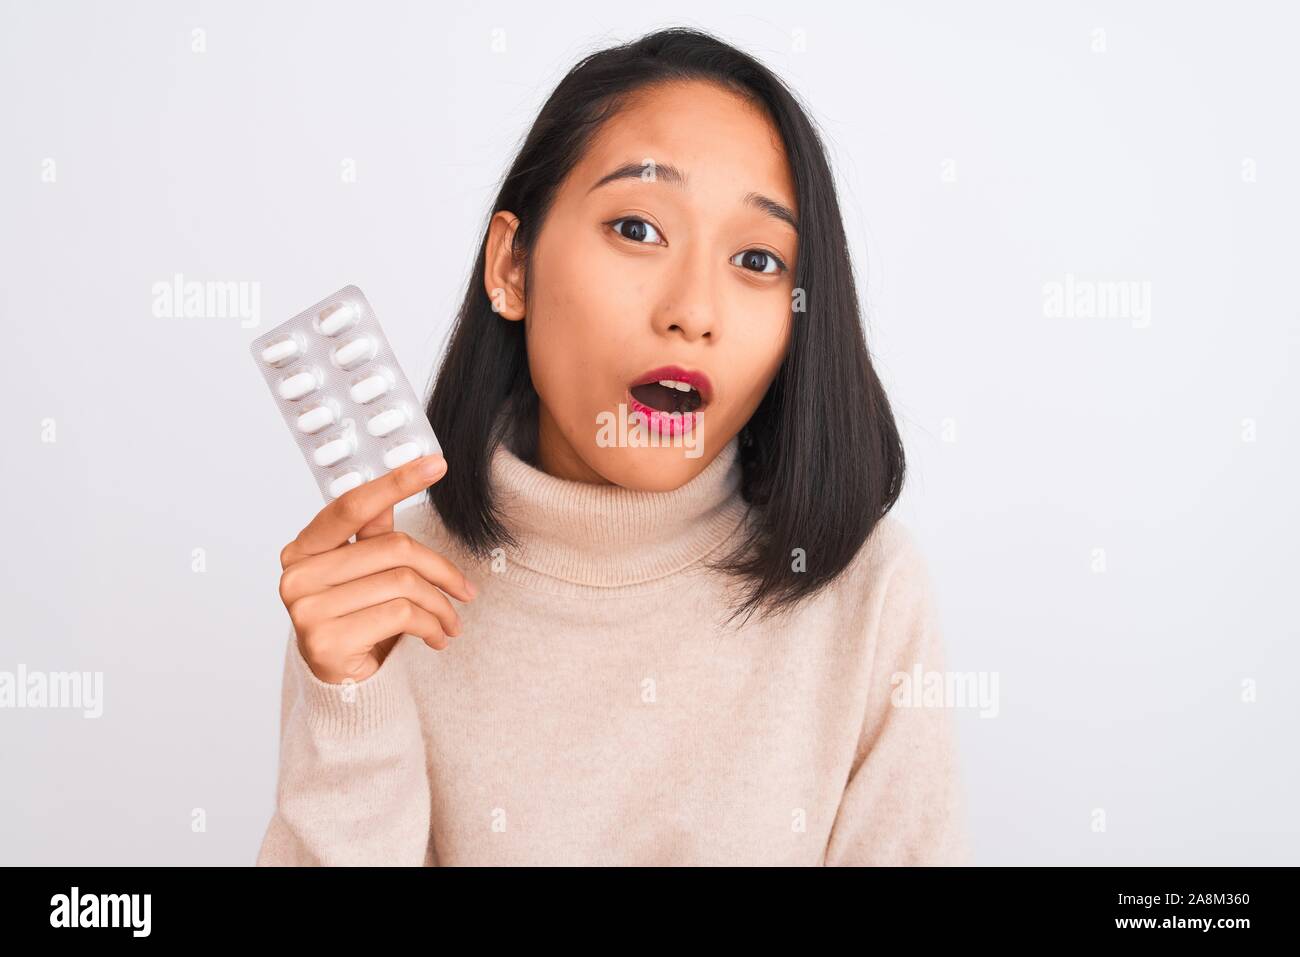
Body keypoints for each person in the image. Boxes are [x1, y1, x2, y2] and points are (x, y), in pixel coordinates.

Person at [257, 26, 971, 866]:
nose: (693, 308)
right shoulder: (387, 592)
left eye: (756, 257)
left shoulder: (865, 594)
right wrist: (351, 703)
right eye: (637, 228)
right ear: (512, 268)